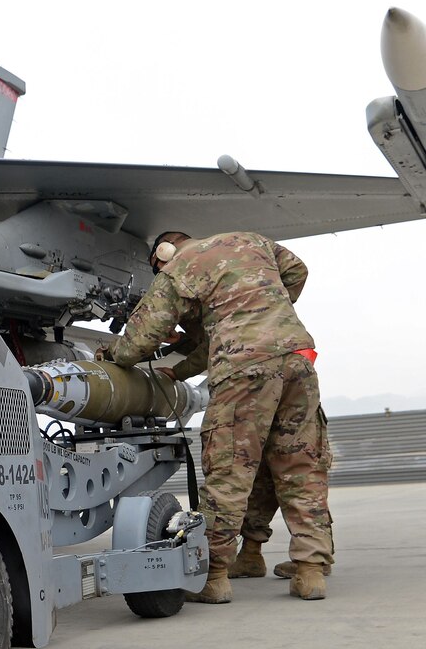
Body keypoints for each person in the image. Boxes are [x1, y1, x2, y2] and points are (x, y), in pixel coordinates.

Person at [102, 231, 334, 602]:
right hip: (296, 358)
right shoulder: (252, 240)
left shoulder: (176, 269)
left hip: (245, 371)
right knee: (301, 466)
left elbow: (139, 342)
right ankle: (310, 571)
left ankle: (214, 575)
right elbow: (297, 272)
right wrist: (259, 312)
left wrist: (110, 355)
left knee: (228, 470)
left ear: (162, 255)